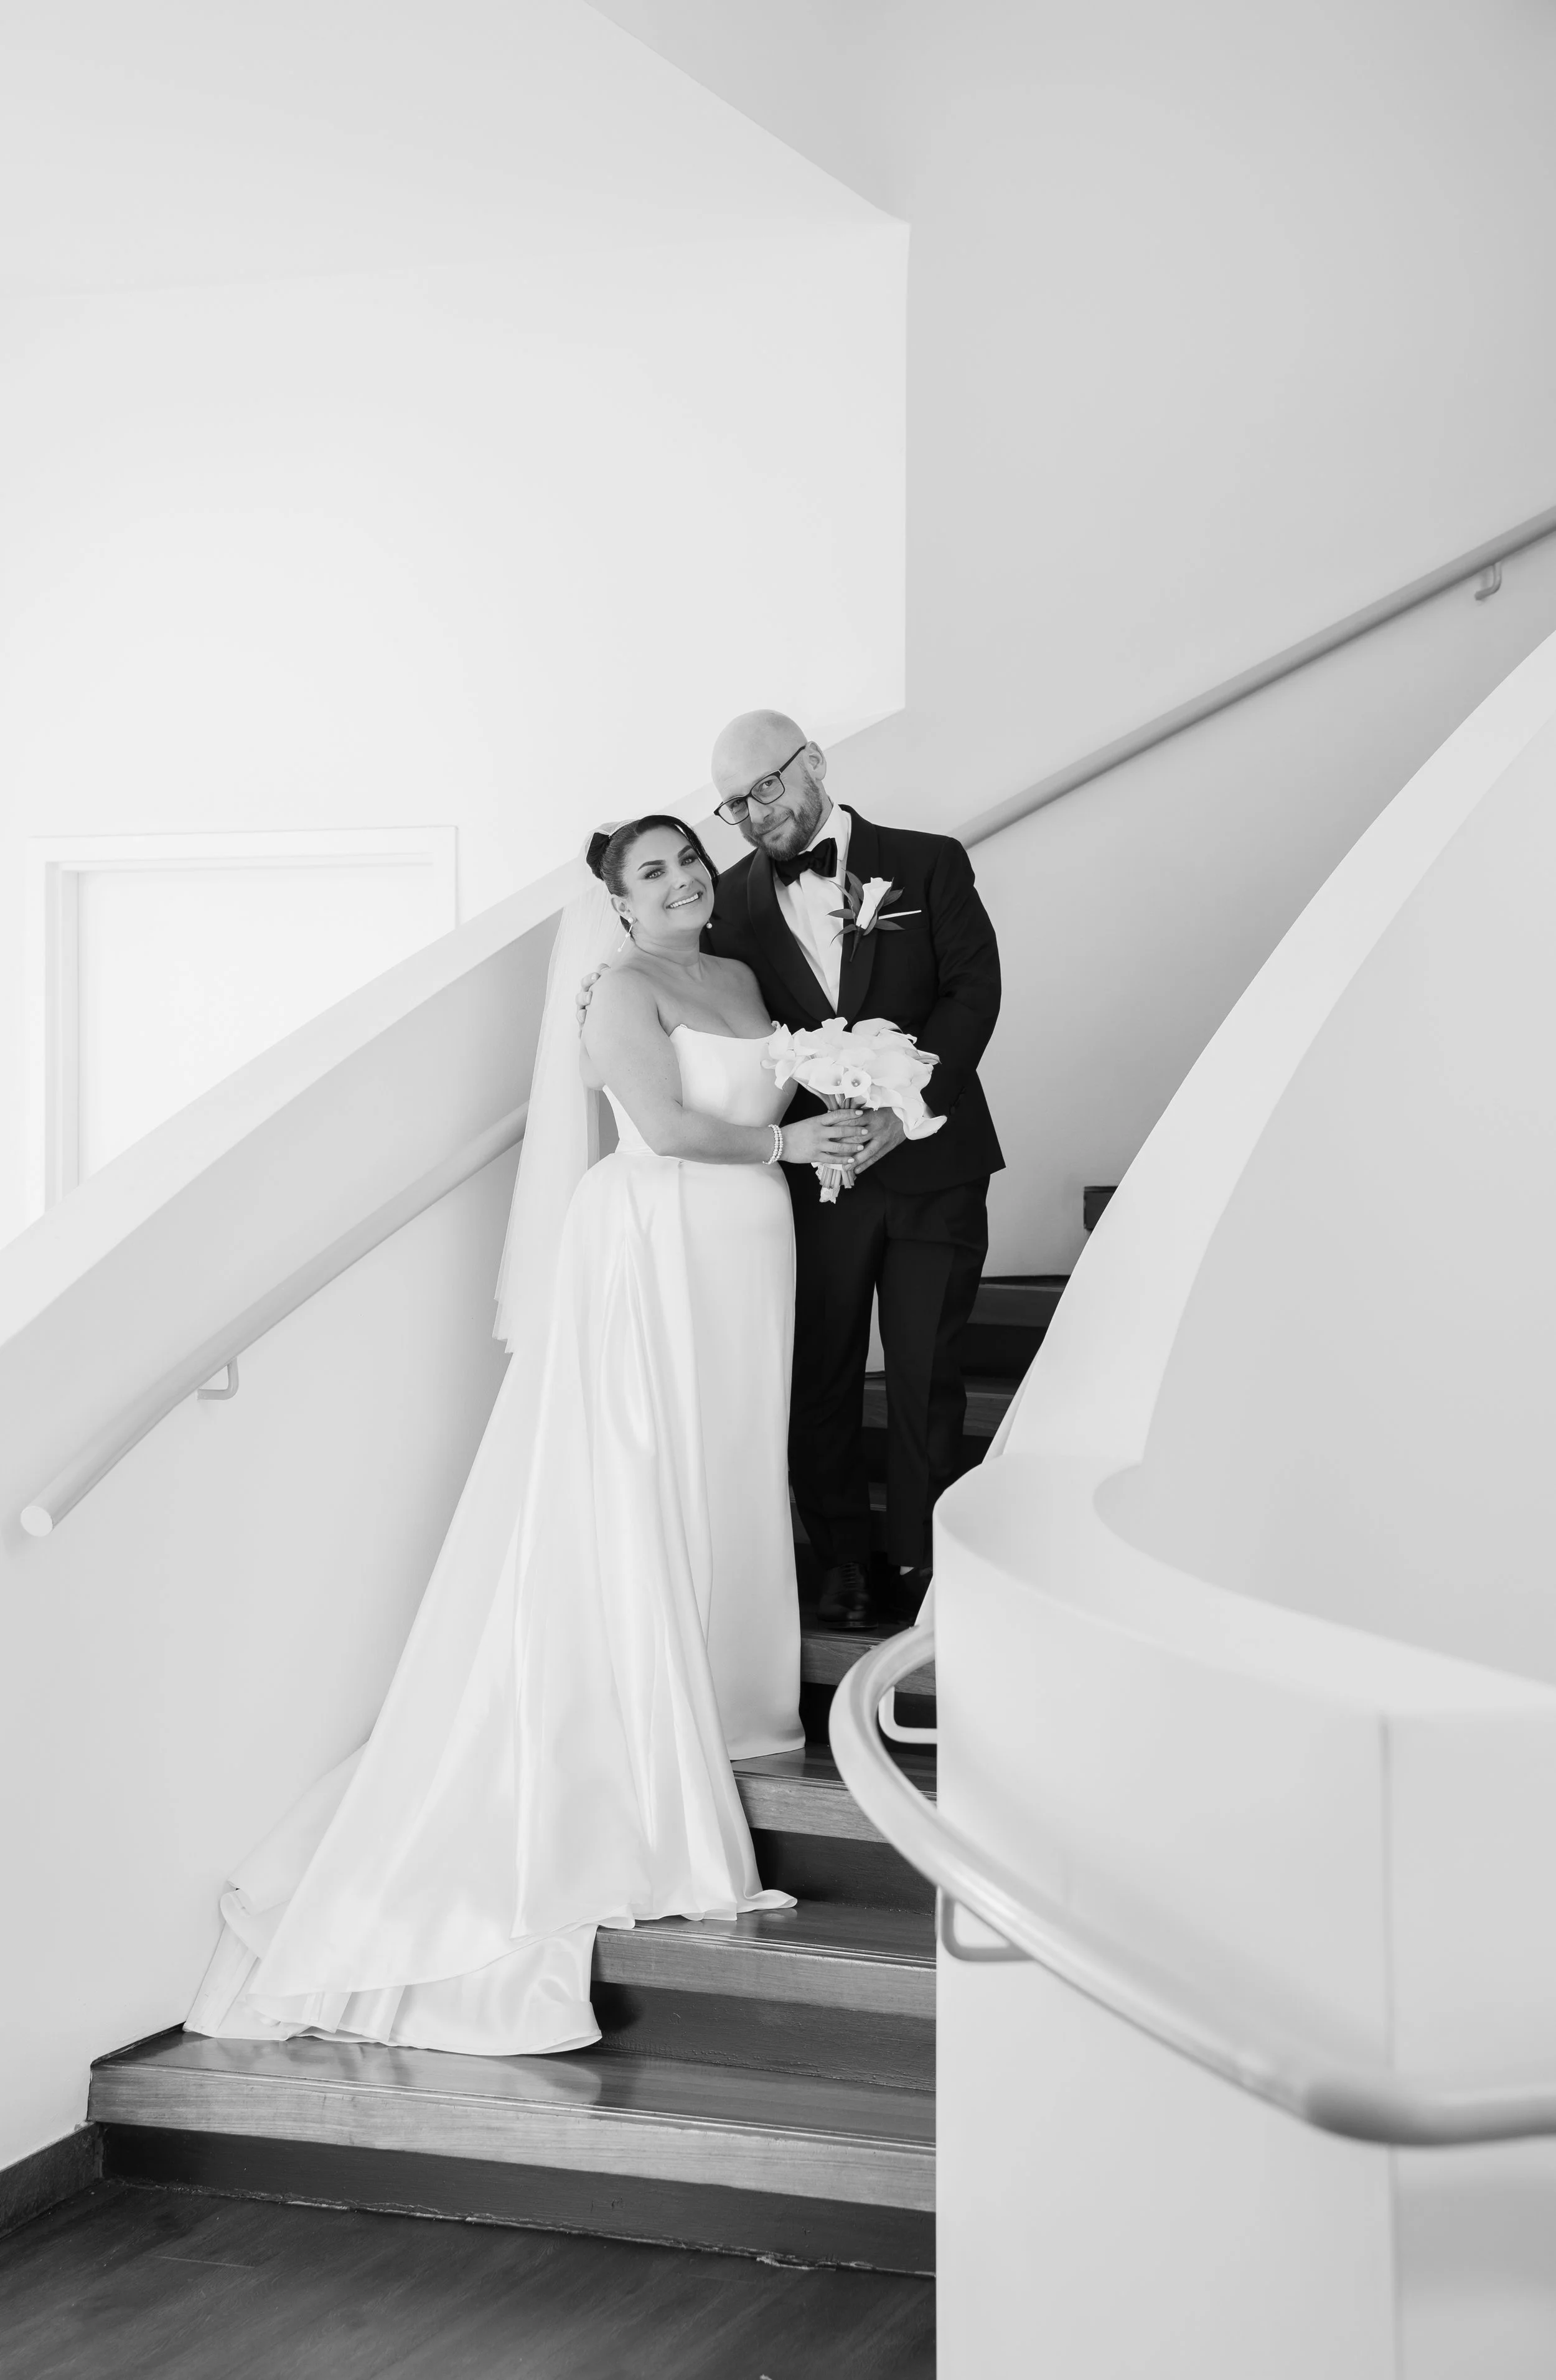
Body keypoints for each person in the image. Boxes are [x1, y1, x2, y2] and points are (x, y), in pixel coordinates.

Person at [185, 817, 865, 2059]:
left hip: (747, 1241)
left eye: (686, 863)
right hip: (657, 1238)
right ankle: (649, 1722)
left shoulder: (741, 976)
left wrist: (843, 1122)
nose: (678, 881)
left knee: (731, 1467)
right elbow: (660, 1126)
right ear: (615, 903)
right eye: (650, 872)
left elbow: (777, 1080)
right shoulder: (621, 990)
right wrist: (791, 1137)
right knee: (653, 1474)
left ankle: (733, 1695)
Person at [706, 712, 1003, 1632]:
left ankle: (921, 1560)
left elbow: (973, 991)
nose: (757, 816)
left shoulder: (928, 861)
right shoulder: (724, 901)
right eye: (734, 804)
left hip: (934, 1165)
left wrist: (898, 1108)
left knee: (926, 1373)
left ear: (815, 764)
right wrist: (616, 984)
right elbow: (696, 1000)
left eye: (767, 787)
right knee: (818, 1375)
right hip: (807, 1180)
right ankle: (840, 1562)